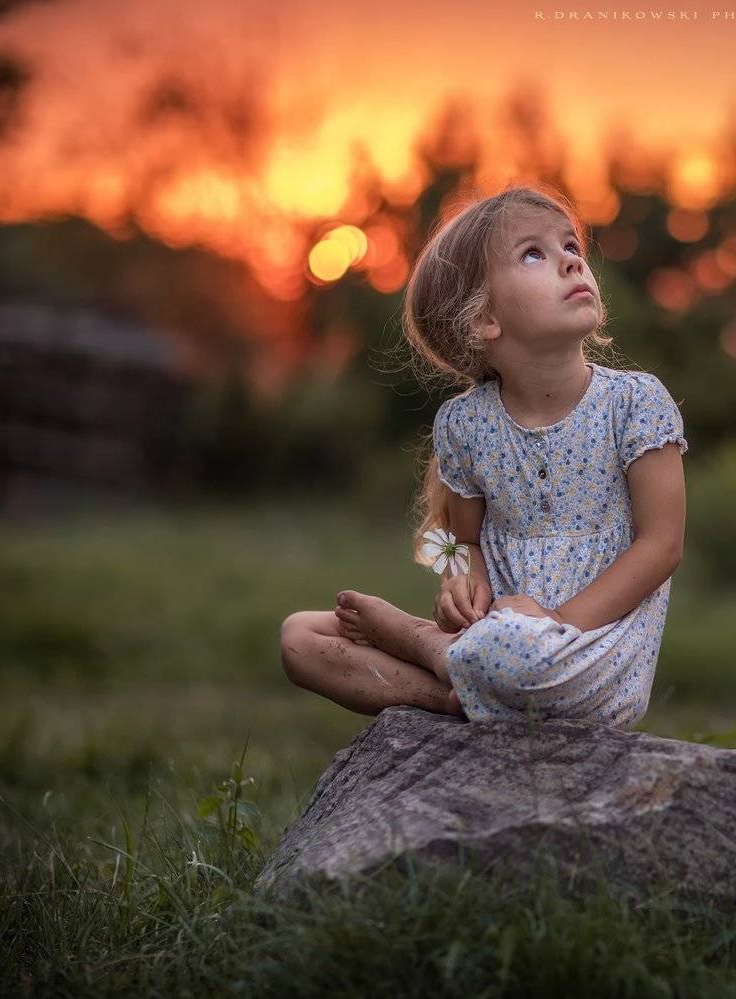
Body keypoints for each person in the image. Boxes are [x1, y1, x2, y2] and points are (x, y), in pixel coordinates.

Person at [279, 184, 688, 729]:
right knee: (299, 638)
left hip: (591, 655)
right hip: (494, 638)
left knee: (511, 651)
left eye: (572, 247)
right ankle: (452, 694)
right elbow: (452, 539)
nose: (570, 261)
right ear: (482, 320)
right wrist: (458, 581)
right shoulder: (465, 426)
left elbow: (662, 546)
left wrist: (556, 622)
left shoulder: (635, 403)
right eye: (534, 253)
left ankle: (428, 648)